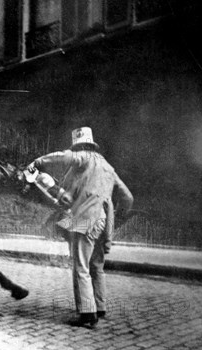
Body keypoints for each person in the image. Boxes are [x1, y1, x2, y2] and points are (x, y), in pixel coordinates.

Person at [27, 127, 133, 329]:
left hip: (84, 221)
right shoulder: (108, 168)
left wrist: (38, 162)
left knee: (81, 266)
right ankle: (99, 307)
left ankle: (87, 314)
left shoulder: (83, 158)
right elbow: (127, 197)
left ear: (80, 146)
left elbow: (62, 157)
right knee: (97, 266)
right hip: (103, 222)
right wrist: (116, 219)